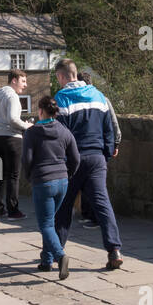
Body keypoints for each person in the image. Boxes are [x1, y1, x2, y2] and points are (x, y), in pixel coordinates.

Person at [52, 60, 124, 270]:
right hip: (96, 158)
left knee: (63, 207)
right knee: (102, 205)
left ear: (63, 77)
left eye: (58, 78)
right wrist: (106, 153)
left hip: (72, 161)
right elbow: (109, 128)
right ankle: (114, 250)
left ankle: (56, 253)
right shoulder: (99, 96)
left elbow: (60, 135)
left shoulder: (61, 99)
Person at [23, 95, 80, 278]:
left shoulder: (32, 132)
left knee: (46, 224)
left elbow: (27, 159)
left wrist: (29, 176)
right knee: (51, 221)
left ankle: (60, 256)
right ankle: (46, 260)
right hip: (62, 181)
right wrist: (68, 174)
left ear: (40, 111)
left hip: (43, 181)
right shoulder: (64, 131)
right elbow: (76, 158)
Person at [76, 72, 121, 227]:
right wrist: (115, 143)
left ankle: (94, 217)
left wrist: (115, 143)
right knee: (91, 184)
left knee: (94, 187)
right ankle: (88, 214)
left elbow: (112, 123)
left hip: (94, 147)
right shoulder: (101, 97)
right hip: (99, 146)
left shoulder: (96, 98)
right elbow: (114, 124)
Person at [0, 69, 32, 219]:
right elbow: (13, 119)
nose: (25, 85)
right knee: (13, 175)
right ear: (14, 80)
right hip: (12, 139)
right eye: (23, 81)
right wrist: (26, 126)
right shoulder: (13, 96)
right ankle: (13, 210)